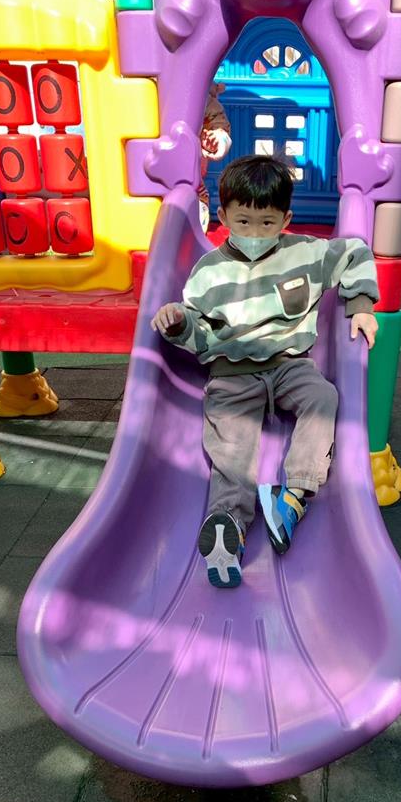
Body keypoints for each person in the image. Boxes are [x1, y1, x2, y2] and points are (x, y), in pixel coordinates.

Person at [151, 154, 379, 589]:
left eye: (267, 223)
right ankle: (228, 526)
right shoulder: (208, 273)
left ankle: (294, 494)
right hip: (232, 375)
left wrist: (362, 306)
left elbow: (355, 253)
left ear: (285, 220)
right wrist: (179, 324)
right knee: (232, 446)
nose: (255, 233)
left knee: (324, 397)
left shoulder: (305, 253)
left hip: (290, 364)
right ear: (223, 217)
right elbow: (200, 334)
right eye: (244, 222)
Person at [198, 83, 232, 231]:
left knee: (196, 197)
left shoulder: (202, 98)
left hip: (192, 173)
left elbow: (221, 126)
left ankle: (197, 230)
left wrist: (217, 140)